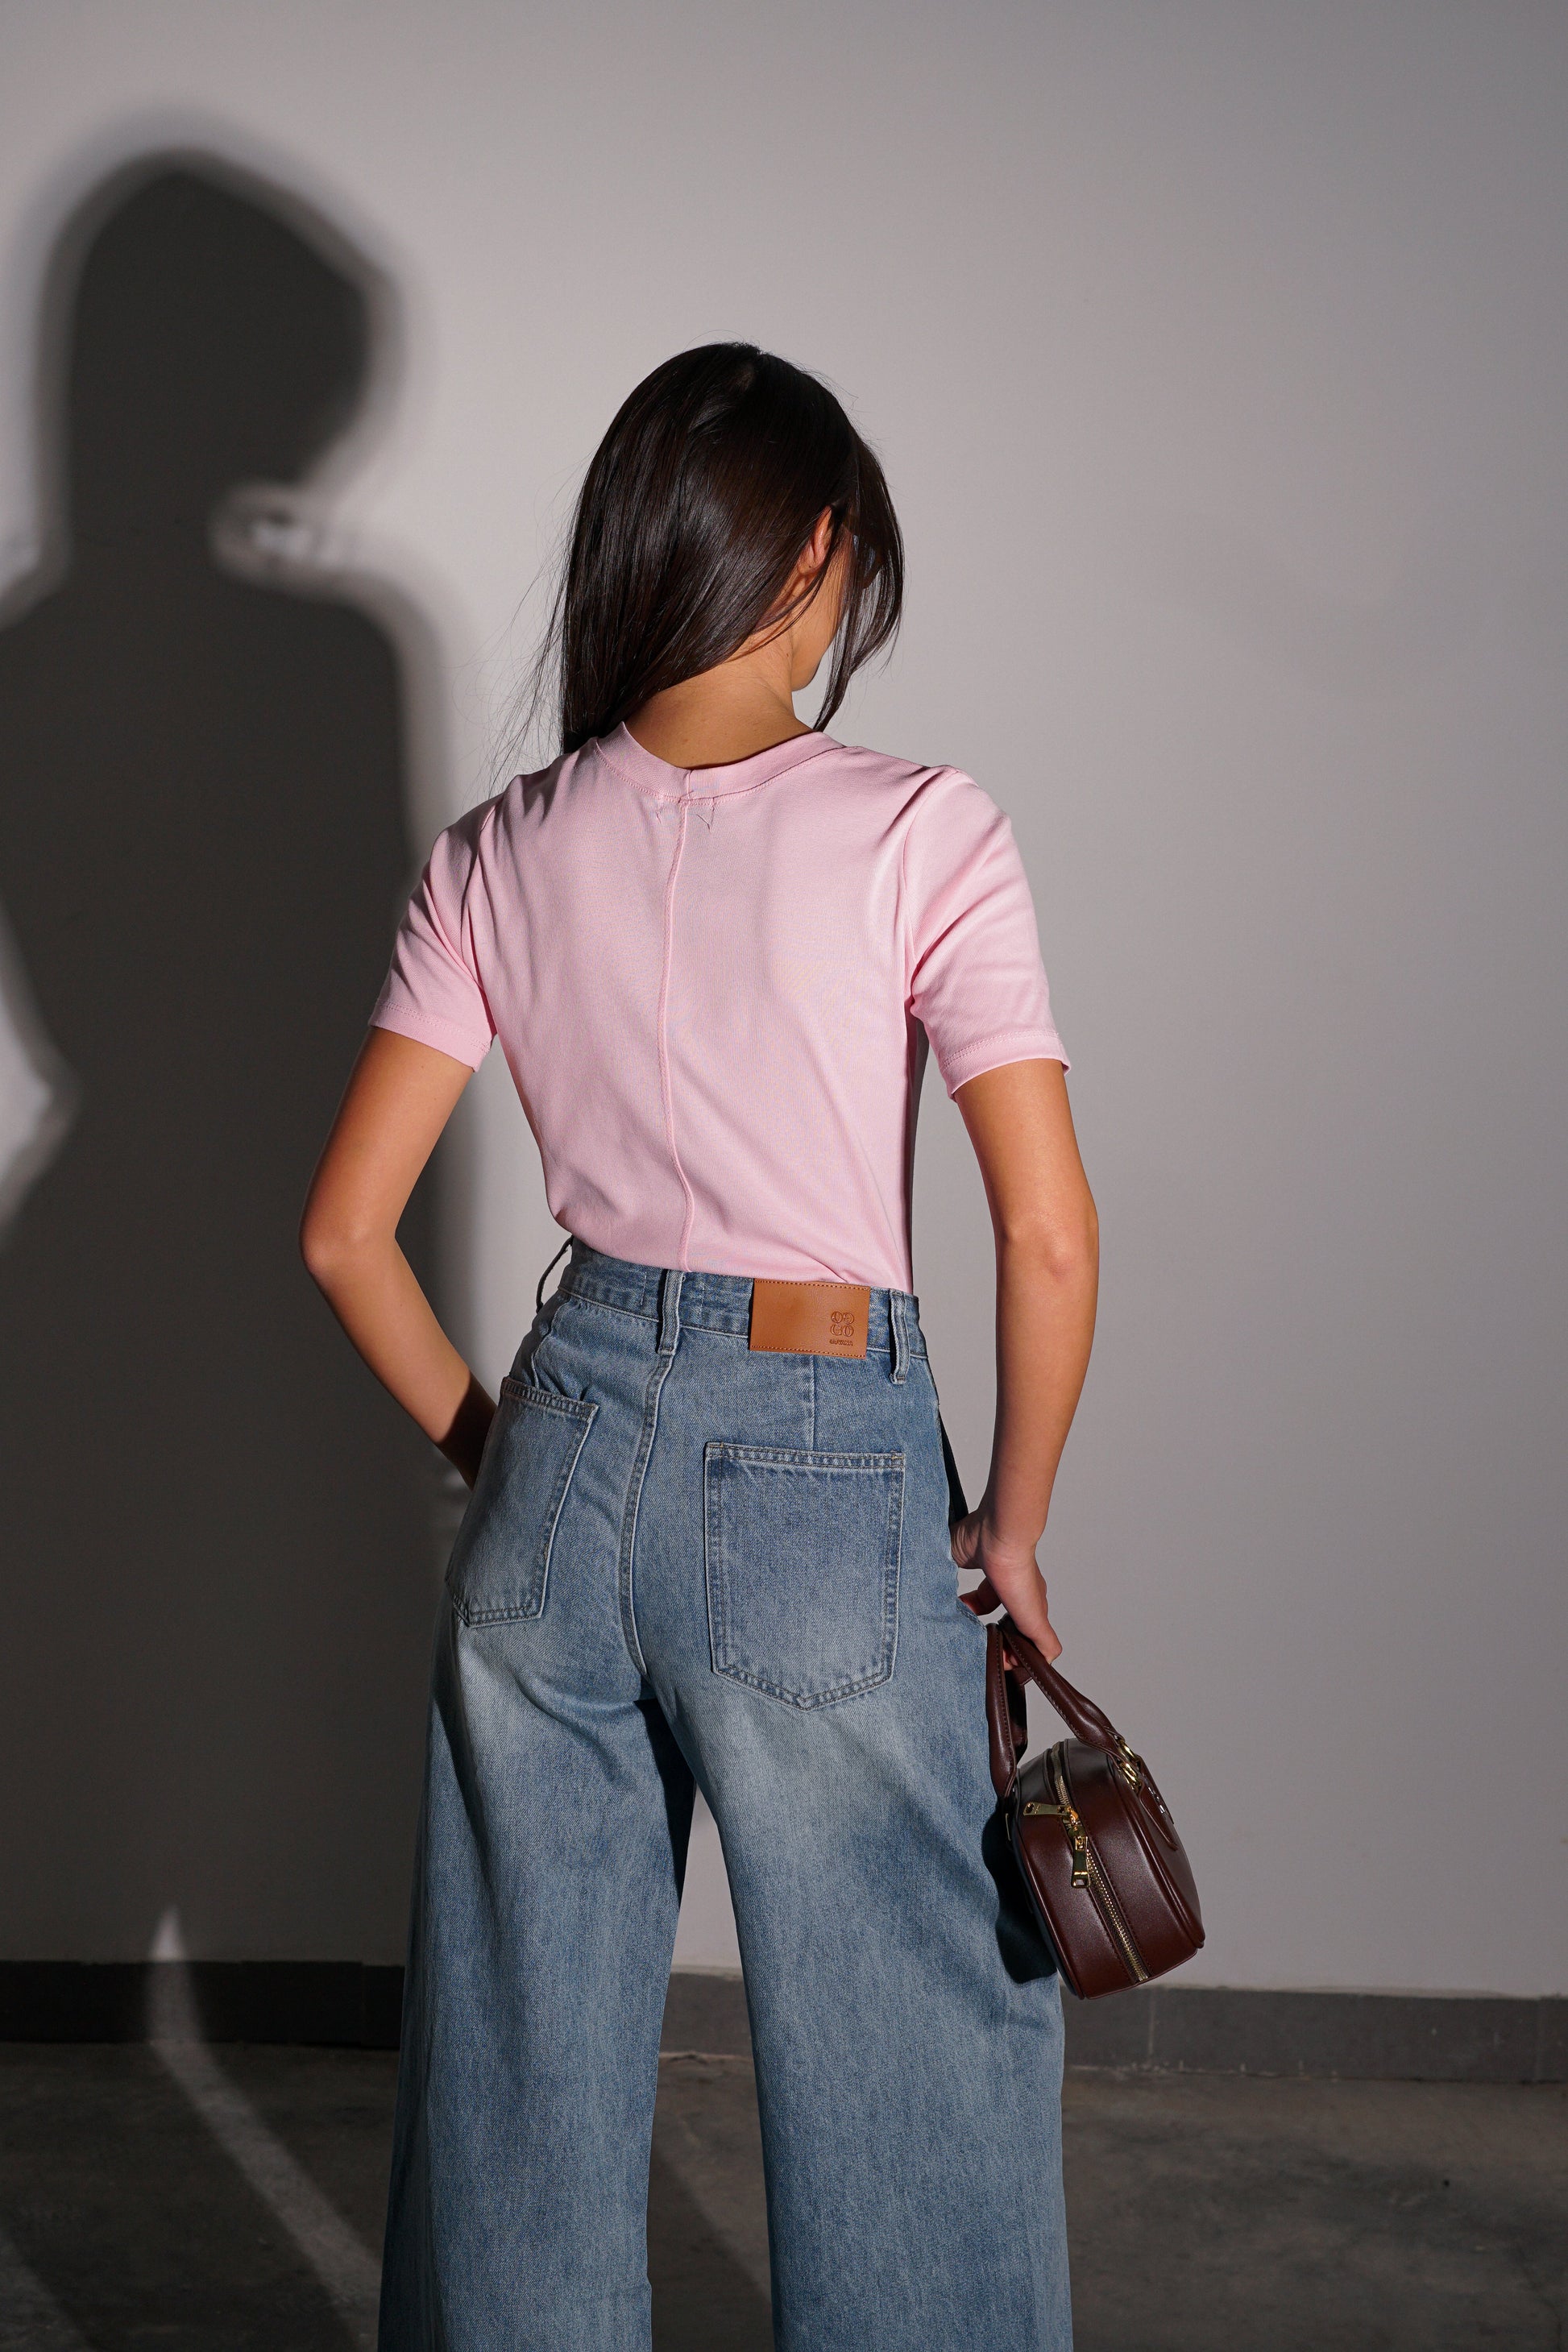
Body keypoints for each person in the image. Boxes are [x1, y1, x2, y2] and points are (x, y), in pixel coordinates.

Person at [301, 342, 1098, 2351]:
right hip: (824, 1461)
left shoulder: (497, 847)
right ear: (814, 552)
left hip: (561, 1439)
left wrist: (507, 1449)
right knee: (918, 2048)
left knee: (515, 2069)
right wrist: (1009, 1523)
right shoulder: (921, 827)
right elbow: (1044, 1231)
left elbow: (342, 1235)